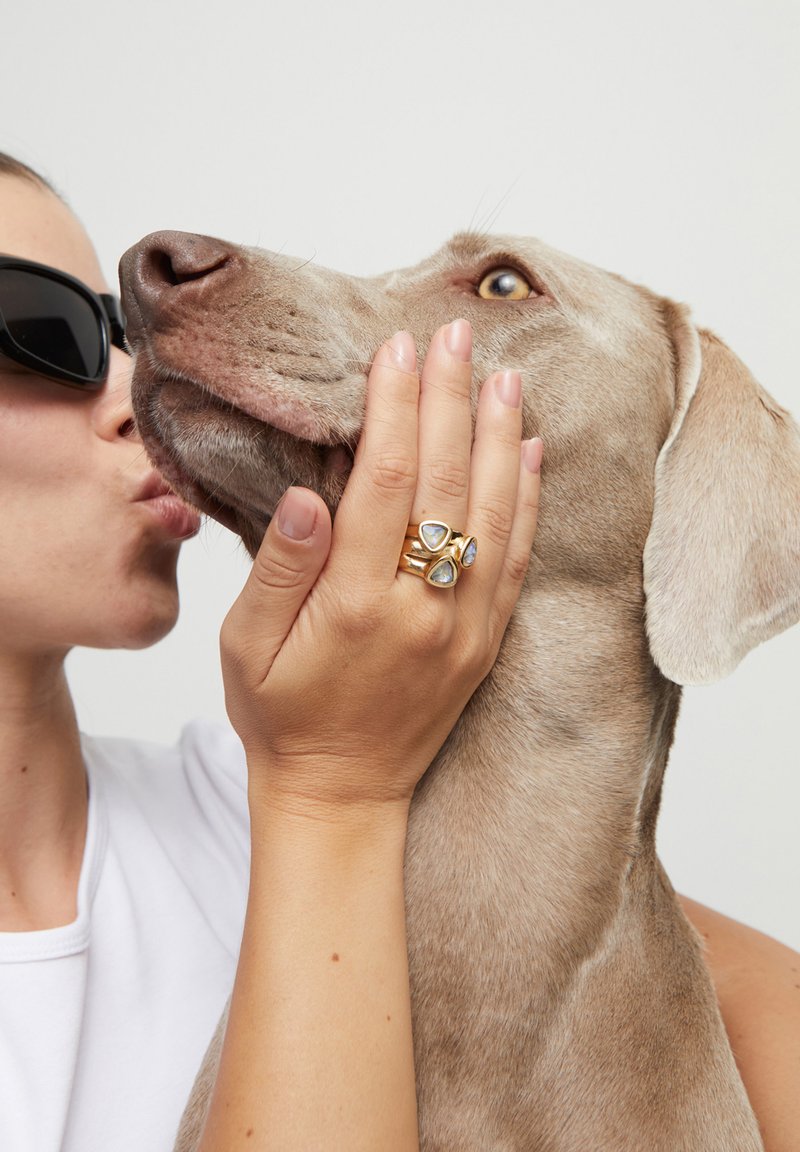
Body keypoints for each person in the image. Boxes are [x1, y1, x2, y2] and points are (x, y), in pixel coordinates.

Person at [0, 152, 796, 1152]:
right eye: (39, 331)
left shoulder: (226, 803)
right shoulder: (305, 783)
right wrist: (327, 792)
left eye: (500, 286)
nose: (132, 366)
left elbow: (596, 932)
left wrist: (436, 560)